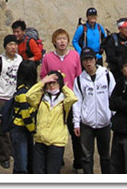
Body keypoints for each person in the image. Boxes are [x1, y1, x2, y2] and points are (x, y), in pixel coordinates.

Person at [40, 28, 83, 172]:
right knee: (56, 132)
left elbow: (78, 78)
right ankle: (57, 161)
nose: (62, 41)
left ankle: (78, 162)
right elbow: (43, 76)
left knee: (75, 132)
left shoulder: (75, 56)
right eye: (59, 39)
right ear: (54, 42)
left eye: (64, 38)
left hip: (71, 100)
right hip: (54, 101)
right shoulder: (48, 58)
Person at [72, 47, 115, 174]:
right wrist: (76, 123)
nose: (88, 63)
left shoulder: (106, 75)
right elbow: (77, 102)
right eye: (85, 60)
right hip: (87, 124)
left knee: (105, 156)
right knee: (86, 157)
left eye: (90, 59)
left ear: (95, 59)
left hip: (104, 123)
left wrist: (113, 116)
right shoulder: (79, 80)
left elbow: (113, 96)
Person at [28, 71, 79, 175]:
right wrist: (42, 82)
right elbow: (29, 96)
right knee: (38, 171)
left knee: (53, 172)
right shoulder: (41, 98)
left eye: (54, 83)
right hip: (40, 139)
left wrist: (64, 87)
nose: (51, 86)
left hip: (57, 141)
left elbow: (73, 98)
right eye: (49, 83)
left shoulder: (64, 100)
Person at [0, 35, 22, 169]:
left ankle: (14, 151)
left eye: (15, 44)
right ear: (5, 46)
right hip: (2, 97)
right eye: (10, 44)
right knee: (2, 128)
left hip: (15, 97)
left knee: (16, 127)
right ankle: (4, 156)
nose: (13, 47)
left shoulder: (19, 59)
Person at [10, 60, 38, 174]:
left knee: (28, 160)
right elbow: (25, 114)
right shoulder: (23, 92)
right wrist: (33, 129)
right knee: (21, 163)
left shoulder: (28, 89)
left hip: (25, 129)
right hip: (20, 128)